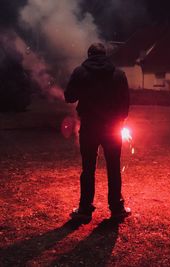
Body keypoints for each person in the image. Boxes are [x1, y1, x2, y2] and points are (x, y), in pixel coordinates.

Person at [65, 43, 131, 222]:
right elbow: (125, 103)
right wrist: (120, 119)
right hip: (113, 128)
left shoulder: (80, 72)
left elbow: (69, 96)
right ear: (105, 55)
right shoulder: (119, 74)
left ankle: (85, 209)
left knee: (88, 168)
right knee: (114, 167)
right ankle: (117, 208)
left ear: (89, 54)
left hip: (89, 127)